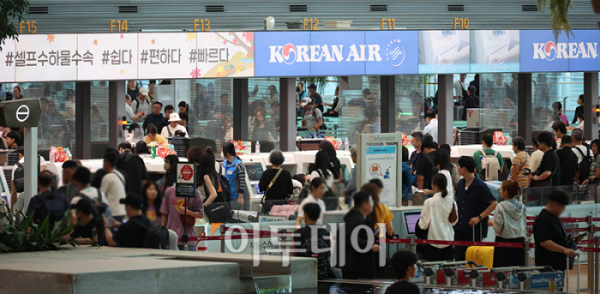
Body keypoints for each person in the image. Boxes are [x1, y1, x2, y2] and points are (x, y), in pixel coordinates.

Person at [454, 156, 498, 261]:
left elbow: (493, 203)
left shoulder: (480, 186)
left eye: (459, 166)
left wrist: (479, 218)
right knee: (459, 257)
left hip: (474, 229)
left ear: (464, 169)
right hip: (460, 228)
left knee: (473, 258)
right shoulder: (460, 184)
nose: (457, 168)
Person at [533, 190, 582, 271]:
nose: (563, 209)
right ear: (554, 204)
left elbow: (558, 238)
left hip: (557, 265)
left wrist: (572, 240)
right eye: (562, 207)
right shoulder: (542, 219)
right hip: (547, 266)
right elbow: (545, 242)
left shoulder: (555, 217)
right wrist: (564, 250)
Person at [292, 203, 339, 279]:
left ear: (305, 216)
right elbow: (328, 255)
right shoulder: (326, 233)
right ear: (318, 217)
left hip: (303, 275)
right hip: (323, 275)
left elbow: (293, 259)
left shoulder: (297, 234)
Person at [418, 174, 458, 261]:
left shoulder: (429, 202)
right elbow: (454, 221)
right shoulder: (452, 201)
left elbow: (423, 225)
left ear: (435, 185)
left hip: (433, 242)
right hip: (448, 241)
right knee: (447, 272)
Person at [340, 191, 378, 279]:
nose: (372, 205)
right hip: (357, 269)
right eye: (370, 202)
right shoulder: (355, 219)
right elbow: (350, 238)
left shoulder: (364, 218)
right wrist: (370, 244)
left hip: (361, 266)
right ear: (364, 204)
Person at [492, 180, 527, 268]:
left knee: (502, 271)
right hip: (519, 240)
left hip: (504, 242)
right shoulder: (522, 206)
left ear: (506, 192)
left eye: (501, 189)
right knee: (518, 271)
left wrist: (492, 223)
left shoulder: (500, 207)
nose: (499, 191)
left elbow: (498, 227)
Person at [161, 183, 204, 251]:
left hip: (188, 236)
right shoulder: (169, 191)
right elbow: (164, 214)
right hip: (171, 236)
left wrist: (187, 212)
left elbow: (200, 214)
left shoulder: (195, 192)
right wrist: (162, 232)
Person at [11, 147, 47, 213]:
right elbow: (43, 176)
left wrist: (11, 209)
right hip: (39, 194)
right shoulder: (39, 159)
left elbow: (13, 192)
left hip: (23, 196)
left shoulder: (16, 166)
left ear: (20, 154)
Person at [100, 152, 127, 222]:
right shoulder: (120, 175)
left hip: (112, 213)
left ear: (107, 163)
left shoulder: (107, 177)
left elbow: (101, 196)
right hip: (122, 211)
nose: (103, 165)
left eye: (104, 162)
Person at [220, 142, 247, 209]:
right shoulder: (223, 164)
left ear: (227, 152)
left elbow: (242, 182)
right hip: (226, 196)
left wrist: (240, 197)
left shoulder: (239, 164)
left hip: (235, 197)